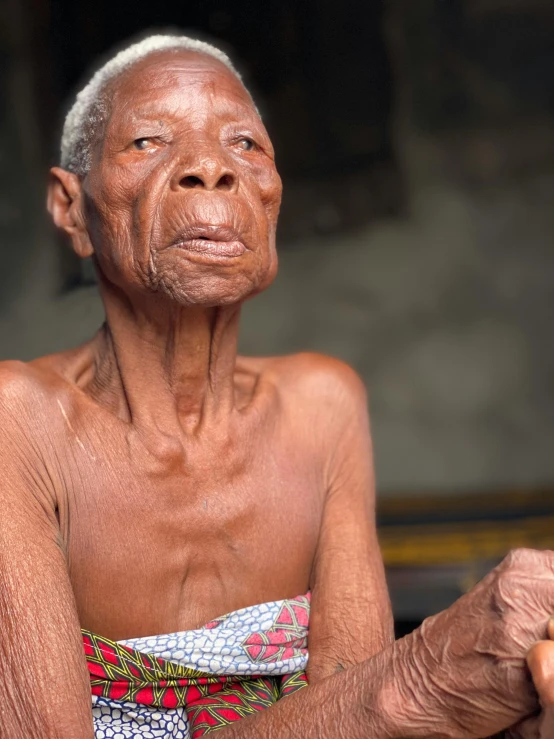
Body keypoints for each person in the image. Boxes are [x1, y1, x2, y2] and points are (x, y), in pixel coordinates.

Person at [0, 33, 553, 739]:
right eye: (147, 141)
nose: (210, 168)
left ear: (273, 197)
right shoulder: (19, 421)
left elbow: (364, 717)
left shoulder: (322, 406)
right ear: (70, 209)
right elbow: (377, 705)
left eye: (246, 144)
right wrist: (420, 679)